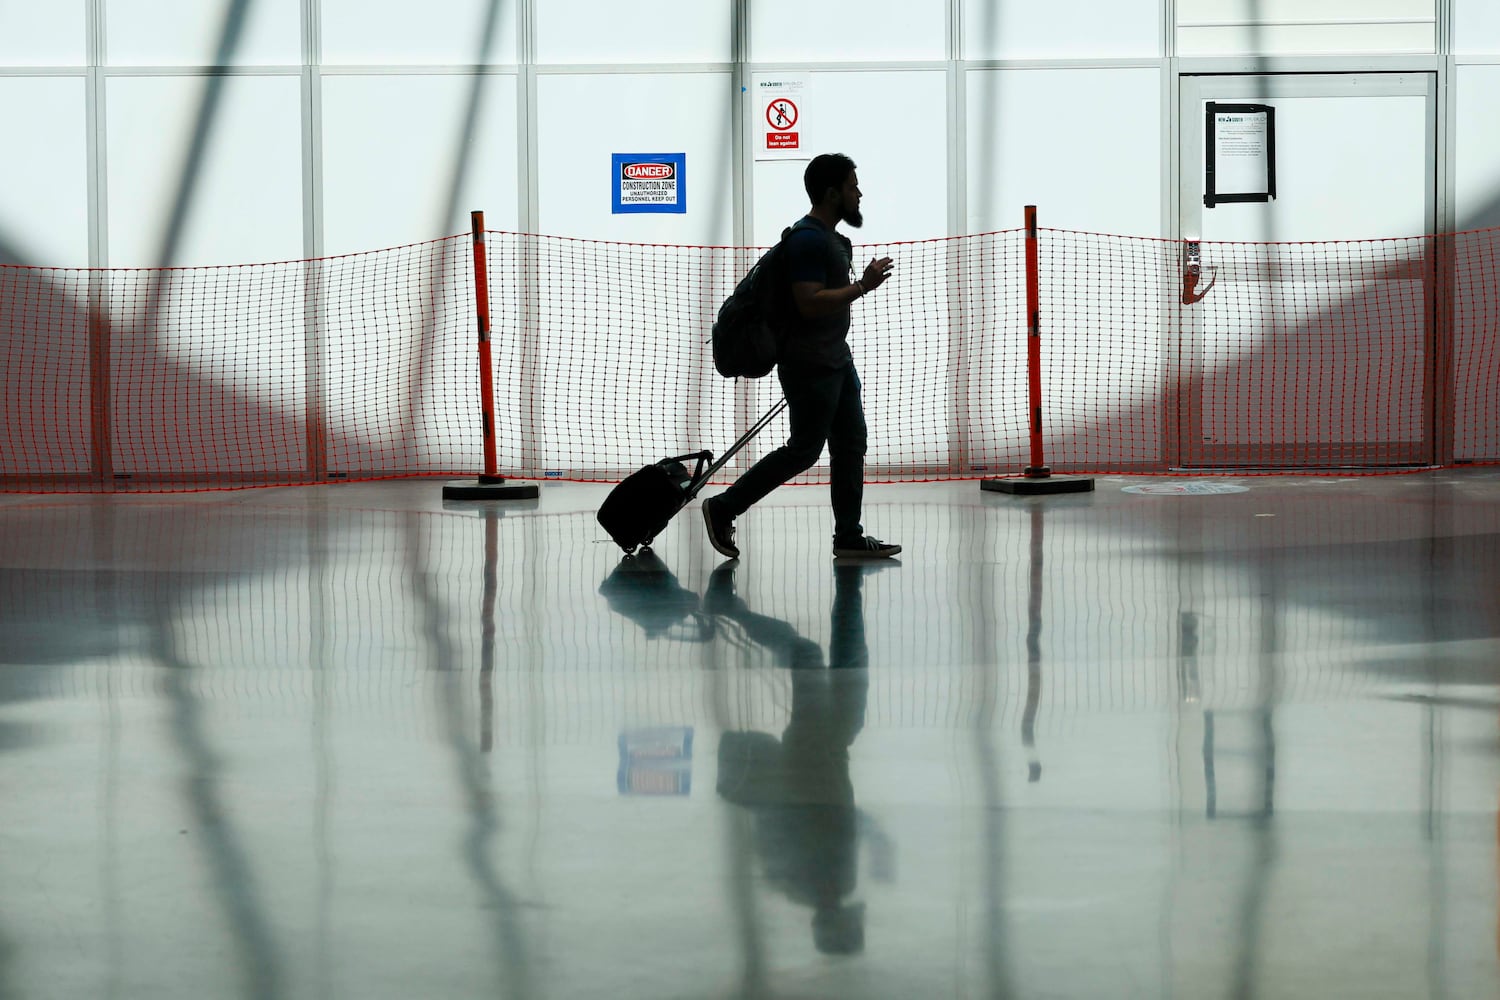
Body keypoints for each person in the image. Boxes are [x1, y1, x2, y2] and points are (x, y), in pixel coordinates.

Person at [701, 153, 901, 561]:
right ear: (831, 193)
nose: (858, 192)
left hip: (835, 361)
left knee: (850, 443)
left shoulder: (823, 238)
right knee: (804, 451)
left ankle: (848, 535)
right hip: (810, 364)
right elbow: (809, 303)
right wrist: (862, 285)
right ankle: (723, 507)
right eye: (851, 186)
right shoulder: (809, 240)